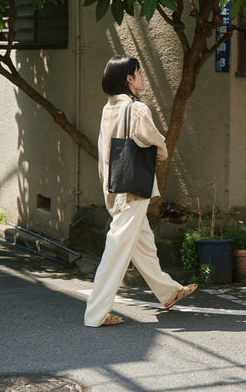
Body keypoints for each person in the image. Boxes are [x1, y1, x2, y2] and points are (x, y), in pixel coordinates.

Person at [84, 55, 197, 327]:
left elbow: (104, 152)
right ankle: (95, 314)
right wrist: (160, 151)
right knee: (116, 251)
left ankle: (169, 292)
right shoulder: (136, 109)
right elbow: (156, 141)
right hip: (133, 189)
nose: (142, 76)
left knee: (143, 245)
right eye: (138, 72)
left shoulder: (108, 108)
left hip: (116, 186)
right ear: (128, 79)